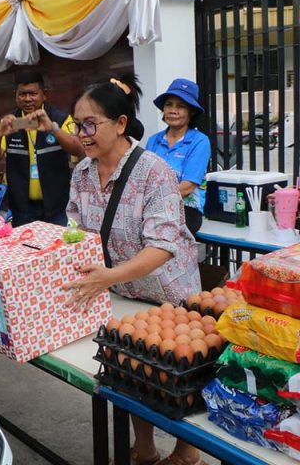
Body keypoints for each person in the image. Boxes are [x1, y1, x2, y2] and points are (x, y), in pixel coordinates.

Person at [63, 76, 204, 465]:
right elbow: (76, 230)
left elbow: (163, 246)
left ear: (120, 123)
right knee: (129, 372)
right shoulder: (82, 174)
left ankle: (187, 452)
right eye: (77, 125)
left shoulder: (154, 172)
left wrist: (108, 276)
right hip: (122, 292)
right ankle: (145, 448)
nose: (82, 134)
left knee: (174, 377)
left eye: (90, 124)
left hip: (167, 294)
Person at [0, 71, 83, 227]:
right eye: (22, 94)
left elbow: (78, 150)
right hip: (22, 208)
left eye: (33, 94)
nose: (28, 99)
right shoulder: (9, 122)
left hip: (57, 205)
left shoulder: (60, 119)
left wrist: (53, 129)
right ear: (15, 96)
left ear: (44, 95)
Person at [146, 78, 210, 235]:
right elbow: (143, 178)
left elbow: (187, 187)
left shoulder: (199, 141)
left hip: (185, 210)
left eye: (180, 106)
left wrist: (153, 201)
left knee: (158, 234)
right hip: (151, 208)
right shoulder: (153, 141)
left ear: (191, 112)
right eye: (169, 105)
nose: (173, 110)